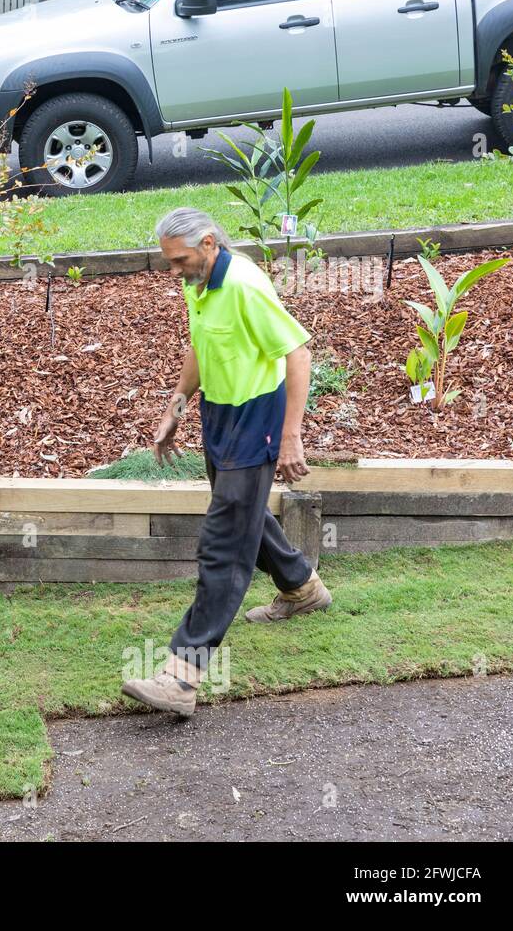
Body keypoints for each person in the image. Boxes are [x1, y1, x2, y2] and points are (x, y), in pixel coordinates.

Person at [120, 207, 332, 717]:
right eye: (170, 261)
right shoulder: (200, 282)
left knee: (222, 544)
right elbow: (201, 345)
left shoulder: (243, 285)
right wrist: (176, 405)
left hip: (256, 417)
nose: (175, 270)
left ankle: (181, 675)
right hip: (220, 416)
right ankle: (303, 588)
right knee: (243, 517)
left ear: (209, 243)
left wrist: (290, 436)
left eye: (181, 259)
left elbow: (298, 353)